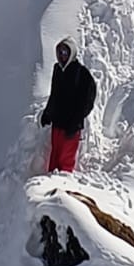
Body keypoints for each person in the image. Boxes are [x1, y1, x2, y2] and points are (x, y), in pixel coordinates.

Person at [40, 38, 97, 173]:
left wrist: (76, 122)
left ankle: (63, 184)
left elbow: (87, 101)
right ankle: (49, 183)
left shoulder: (82, 73)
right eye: (59, 52)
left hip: (71, 126)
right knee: (54, 157)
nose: (62, 56)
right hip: (57, 124)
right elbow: (54, 94)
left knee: (65, 160)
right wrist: (48, 113)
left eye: (65, 52)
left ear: (72, 53)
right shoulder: (58, 70)